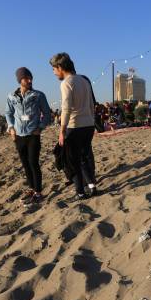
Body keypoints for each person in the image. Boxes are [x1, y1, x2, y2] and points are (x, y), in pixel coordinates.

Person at [50, 53, 97, 200]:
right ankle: (92, 186)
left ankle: (80, 192)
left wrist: (62, 130)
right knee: (83, 156)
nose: (53, 72)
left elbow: (66, 108)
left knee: (71, 161)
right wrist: (92, 121)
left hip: (74, 126)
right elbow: (91, 104)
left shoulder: (66, 83)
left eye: (54, 69)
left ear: (60, 67)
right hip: (88, 124)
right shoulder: (84, 80)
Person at [5, 67, 52, 205]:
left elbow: (47, 114)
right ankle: (31, 188)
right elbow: (8, 113)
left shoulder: (38, 95)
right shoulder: (11, 96)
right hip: (18, 136)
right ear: (20, 80)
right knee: (25, 164)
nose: (30, 80)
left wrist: (40, 127)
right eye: (26, 78)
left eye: (31, 78)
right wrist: (11, 128)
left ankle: (38, 192)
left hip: (33, 134)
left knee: (33, 163)